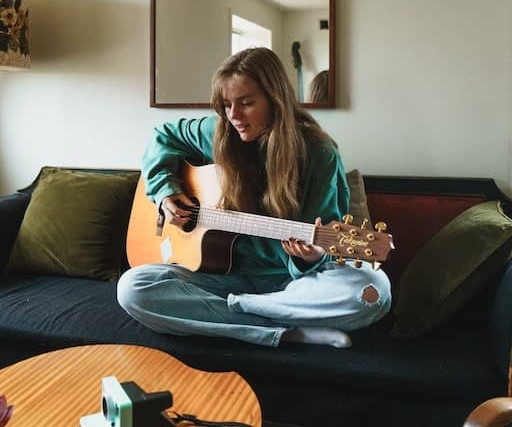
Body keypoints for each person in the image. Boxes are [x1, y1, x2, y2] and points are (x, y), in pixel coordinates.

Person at [117, 47, 391, 348]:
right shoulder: (217, 132)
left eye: (246, 103)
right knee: (132, 288)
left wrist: (311, 255)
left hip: (290, 283)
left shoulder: (319, 154)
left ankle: (241, 313)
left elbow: (321, 238)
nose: (233, 116)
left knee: (373, 292)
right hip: (217, 277)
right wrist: (166, 192)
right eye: (225, 105)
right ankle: (287, 330)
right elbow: (163, 136)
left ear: (275, 100)